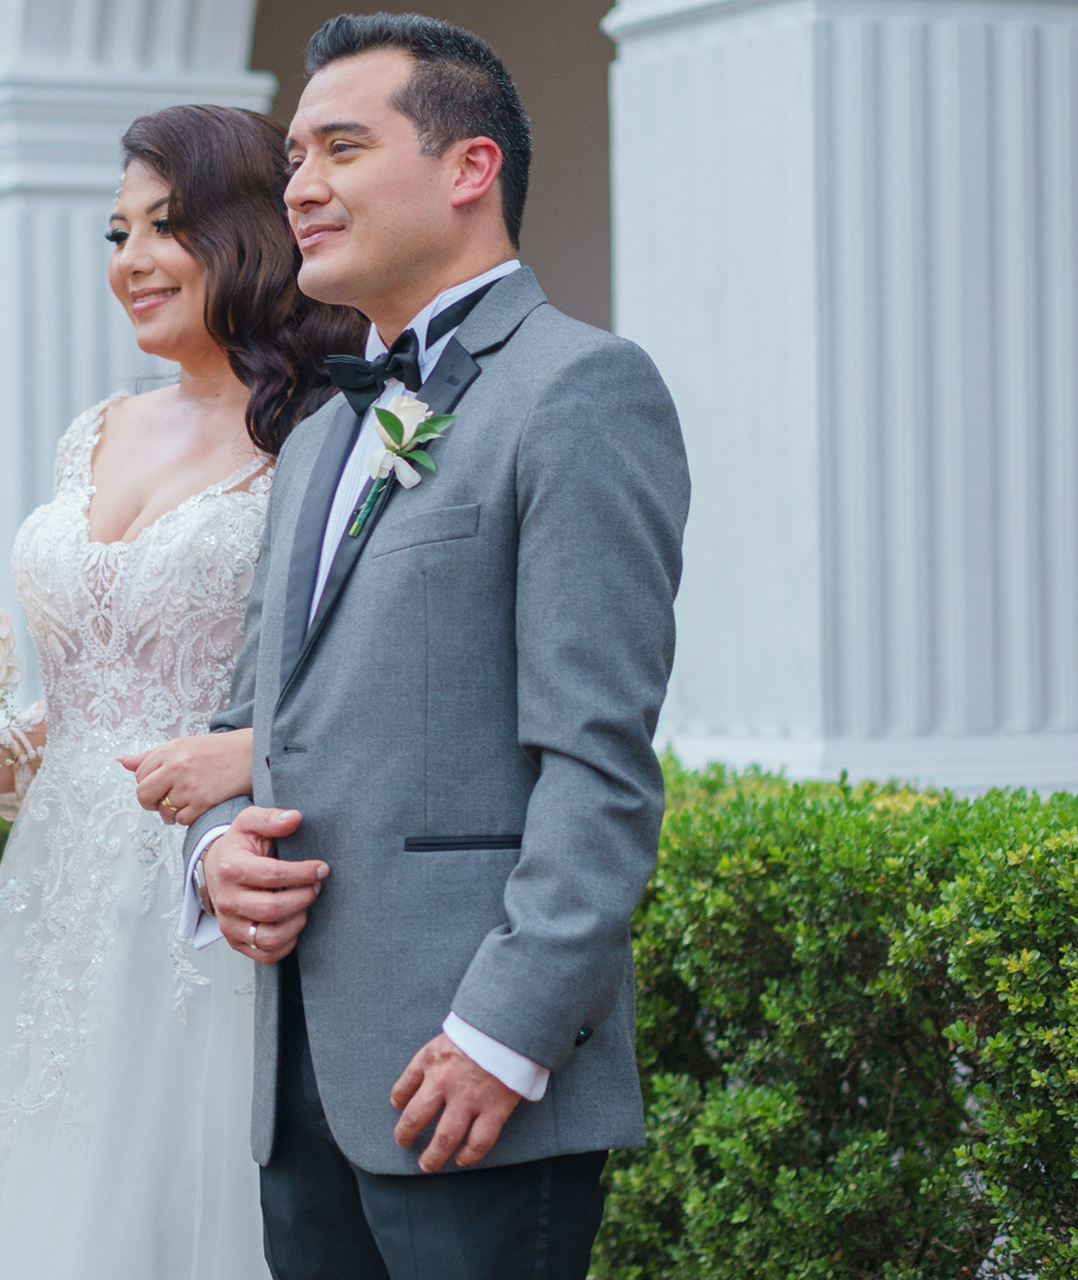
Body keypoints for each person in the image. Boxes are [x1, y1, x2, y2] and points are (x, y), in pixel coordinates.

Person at [167, 15, 692, 1280]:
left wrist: (506, 1034)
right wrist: (216, 851)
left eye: (342, 148)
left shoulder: (580, 389)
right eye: (294, 157)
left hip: (474, 1081)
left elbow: (599, 766)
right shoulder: (313, 440)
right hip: (300, 1080)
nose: (300, 186)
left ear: (470, 167)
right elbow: (252, 724)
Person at [0, 104, 365, 1279]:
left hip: (206, 890)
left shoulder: (324, 434)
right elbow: (83, 712)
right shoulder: (93, 432)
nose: (132, 259)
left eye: (166, 226)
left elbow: (357, 676)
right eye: (117, 231)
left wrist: (248, 755)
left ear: (250, 233)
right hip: (57, 894)